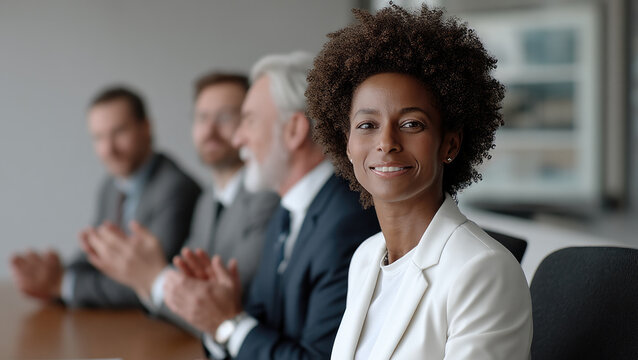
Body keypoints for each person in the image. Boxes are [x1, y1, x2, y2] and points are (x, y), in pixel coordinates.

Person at [305, 5, 533, 359]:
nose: (386, 142)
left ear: (450, 144)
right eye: (367, 125)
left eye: (412, 124)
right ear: (347, 145)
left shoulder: (483, 270)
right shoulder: (366, 258)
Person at [162, 51, 380, 359]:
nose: (238, 139)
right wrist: (219, 313)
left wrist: (227, 324)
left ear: (294, 130)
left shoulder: (348, 222)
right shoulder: (285, 213)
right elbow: (260, 325)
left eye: (248, 121)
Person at [79, 73, 279, 333]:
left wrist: (152, 278)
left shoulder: (269, 199)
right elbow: (183, 290)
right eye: (202, 118)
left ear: (250, 123)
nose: (209, 131)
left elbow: (226, 308)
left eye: (225, 117)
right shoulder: (207, 199)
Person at [10, 86, 201, 308]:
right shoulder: (111, 186)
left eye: (119, 132)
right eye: (99, 137)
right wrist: (56, 274)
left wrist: (64, 284)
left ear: (146, 128)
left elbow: (149, 281)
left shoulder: (175, 189)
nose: (108, 149)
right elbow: (96, 255)